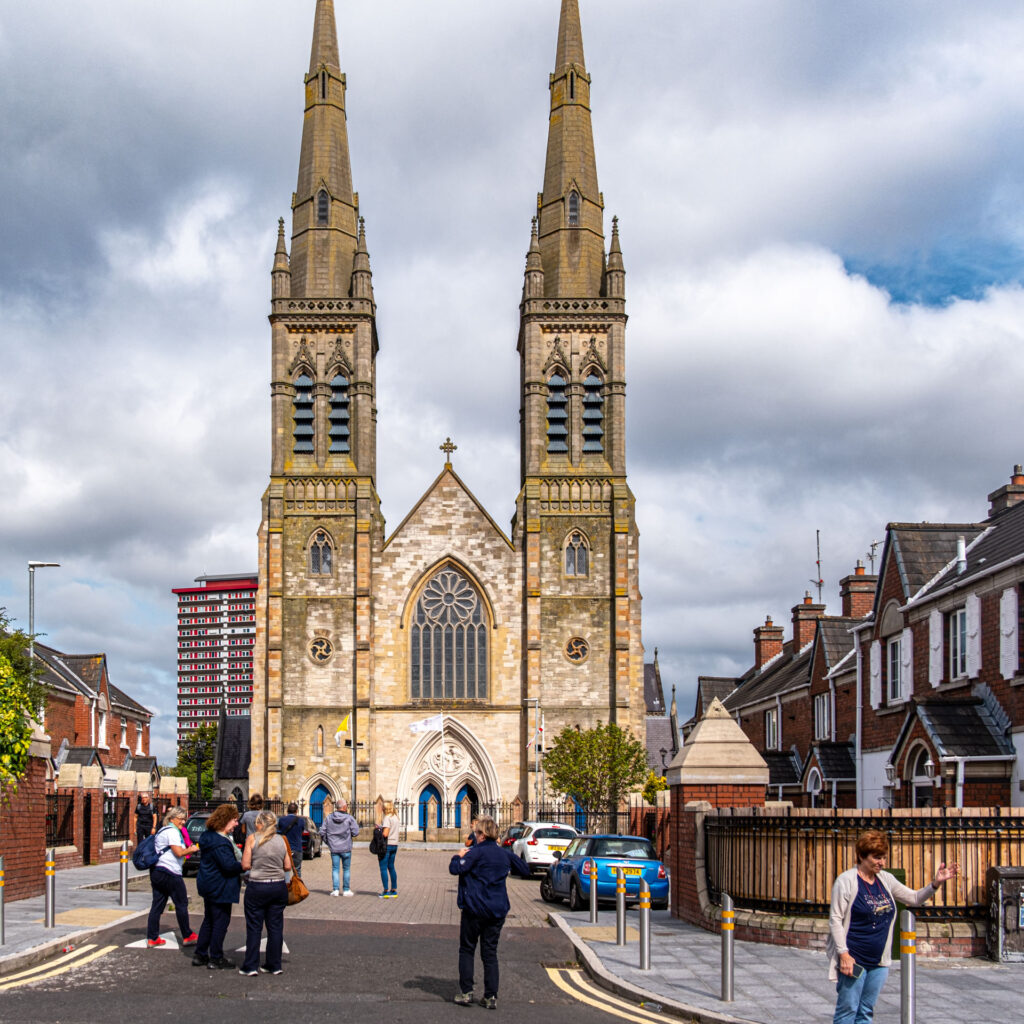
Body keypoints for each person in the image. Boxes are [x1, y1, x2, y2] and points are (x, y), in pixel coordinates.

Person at [828, 829, 958, 1024]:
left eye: (884, 857)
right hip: (854, 959)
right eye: (876, 857)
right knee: (847, 1012)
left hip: (879, 962)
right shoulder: (846, 881)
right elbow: (835, 920)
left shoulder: (885, 879)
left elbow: (914, 898)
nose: (882, 862)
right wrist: (844, 955)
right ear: (862, 856)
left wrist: (935, 884)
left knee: (865, 1012)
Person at [448, 816, 530, 1009]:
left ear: (482, 835)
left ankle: (466, 993)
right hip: (496, 911)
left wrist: (458, 856)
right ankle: (490, 996)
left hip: (474, 909)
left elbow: (455, 869)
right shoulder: (503, 854)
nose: (474, 836)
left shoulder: (475, 853)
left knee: (467, 949)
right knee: (490, 952)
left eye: (476, 832)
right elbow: (525, 870)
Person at [239, 810, 292, 976]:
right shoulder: (281, 840)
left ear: (260, 824)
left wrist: (258, 864)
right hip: (278, 886)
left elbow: (245, 865)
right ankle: (274, 965)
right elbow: (288, 866)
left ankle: (250, 966)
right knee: (275, 927)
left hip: (258, 886)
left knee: (254, 927)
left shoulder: (252, 838)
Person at [192, 802, 243, 970]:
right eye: (235, 820)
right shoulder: (220, 842)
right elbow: (228, 866)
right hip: (220, 886)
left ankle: (200, 954)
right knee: (220, 922)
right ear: (226, 819)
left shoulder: (208, 836)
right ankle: (216, 957)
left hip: (208, 883)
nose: (237, 824)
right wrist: (244, 866)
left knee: (209, 920)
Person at [145, 806, 199, 948]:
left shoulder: (162, 830)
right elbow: (178, 852)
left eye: (185, 819)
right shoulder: (172, 832)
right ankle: (187, 935)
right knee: (181, 903)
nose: (183, 822)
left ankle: (152, 937)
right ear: (173, 818)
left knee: (157, 905)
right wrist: (191, 849)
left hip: (157, 871)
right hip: (170, 872)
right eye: (181, 819)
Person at [320, 800, 360, 896]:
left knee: (335, 869)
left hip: (334, 848)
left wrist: (328, 842)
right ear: (344, 807)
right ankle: (346, 890)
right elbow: (356, 832)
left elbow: (322, 832)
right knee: (346, 869)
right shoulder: (349, 818)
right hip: (346, 848)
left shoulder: (329, 818)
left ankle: (336, 890)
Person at [276, 802, 304, 877]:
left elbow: (279, 831)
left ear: (287, 810)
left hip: (285, 848)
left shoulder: (282, 820)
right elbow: (301, 831)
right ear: (296, 811)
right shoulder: (301, 820)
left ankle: (286, 883)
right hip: (297, 848)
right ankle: (297, 884)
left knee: (285, 870)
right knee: (297, 870)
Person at [379, 799, 400, 898]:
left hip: (387, 845)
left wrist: (379, 830)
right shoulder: (396, 817)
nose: (382, 809)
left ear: (385, 808)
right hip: (395, 844)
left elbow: (385, 834)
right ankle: (394, 889)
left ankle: (386, 891)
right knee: (391, 867)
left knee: (383, 867)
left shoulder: (387, 818)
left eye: (383, 807)